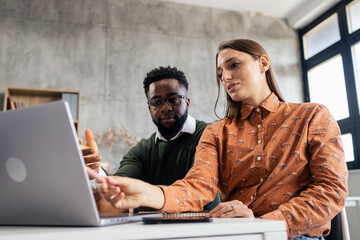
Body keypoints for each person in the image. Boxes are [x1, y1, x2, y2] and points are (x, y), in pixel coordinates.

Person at [96, 39, 348, 240]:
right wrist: (148, 194)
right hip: (234, 234)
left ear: (263, 63)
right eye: (220, 72)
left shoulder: (313, 116)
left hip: (295, 235)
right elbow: (198, 187)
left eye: (233, 65)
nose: (225, 76)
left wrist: (263, 224)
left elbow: (331, 191)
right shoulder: (216, 132)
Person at [81, 66, 220, 211]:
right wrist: (95, 171)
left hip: (208, 230)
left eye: (173, 99)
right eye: (156, 102)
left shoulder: (210, 135)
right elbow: (119, 187)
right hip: (152, 232)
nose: (165, 108)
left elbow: (202, 188)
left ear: (187, 103)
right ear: (150, 108)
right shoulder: (142, 151)